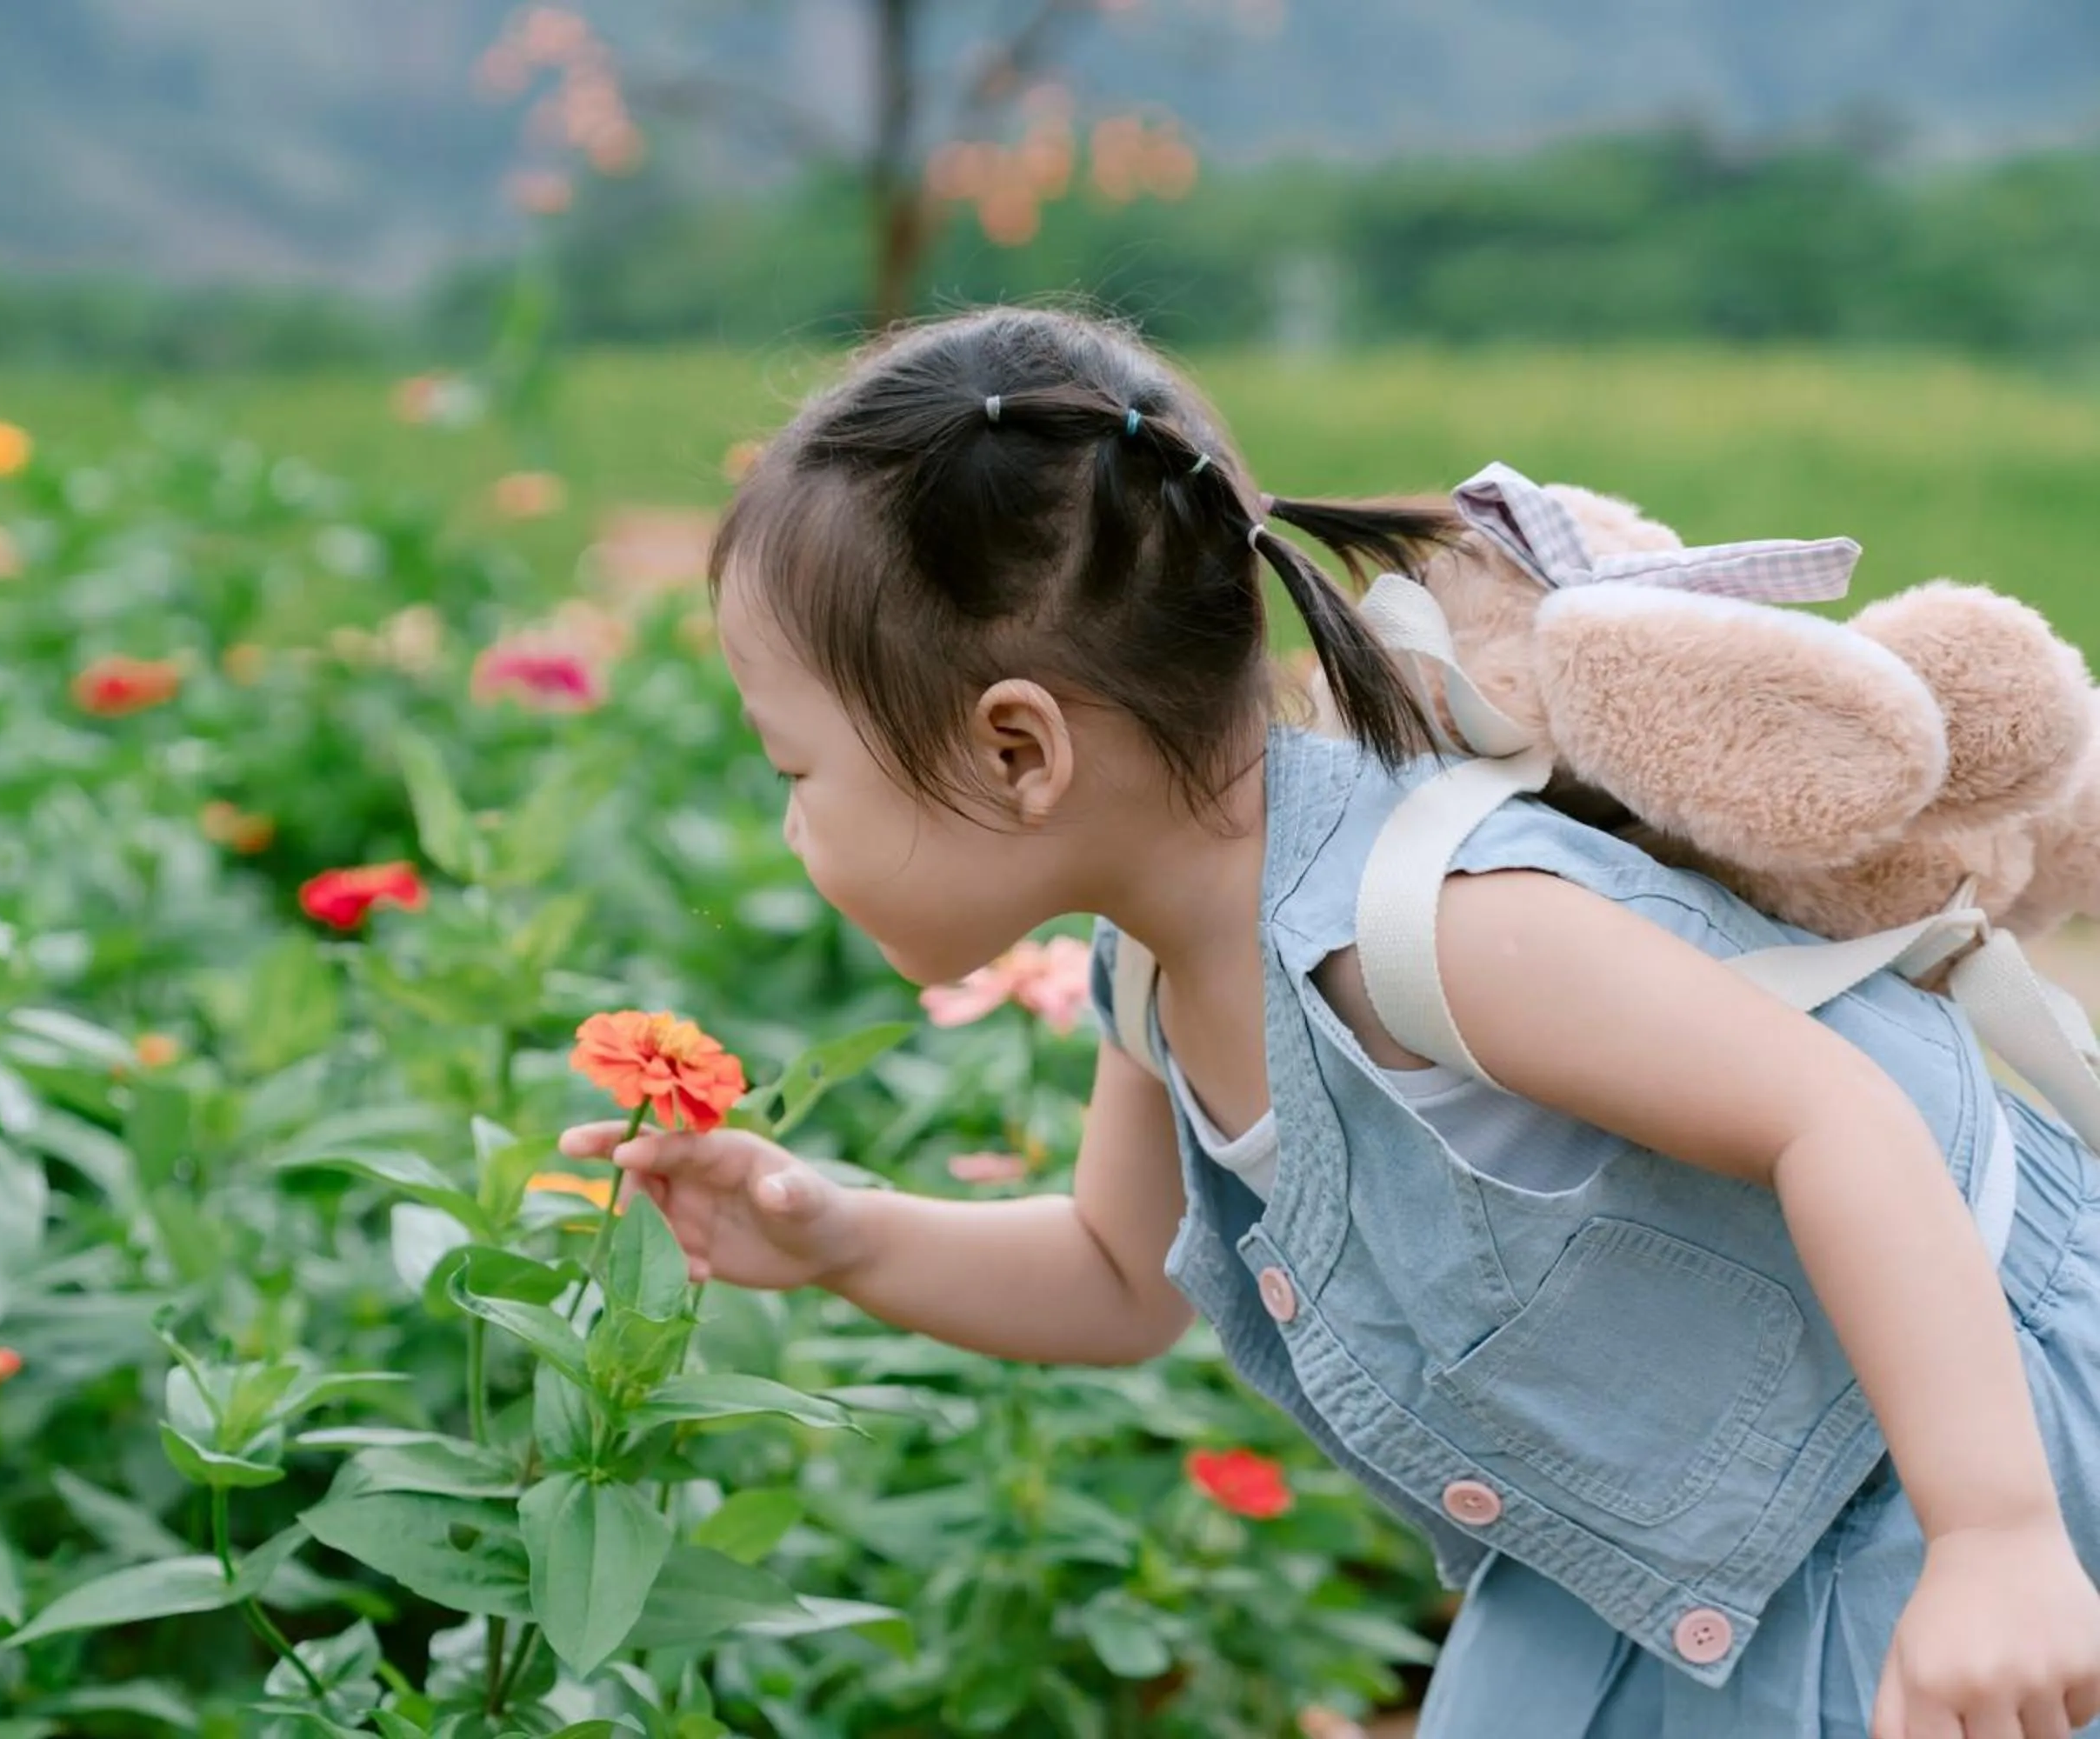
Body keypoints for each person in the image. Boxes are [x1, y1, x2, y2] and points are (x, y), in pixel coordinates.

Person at [558, 307, 2100, 1739]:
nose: (790, 827)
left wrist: (1997, 1537)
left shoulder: (1430, 929)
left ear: (1017, 750)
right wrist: (841, 1236)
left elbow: (1838, 1116)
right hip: (1673, 1508)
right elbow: (1113, 1278)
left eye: (794, 772)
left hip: (1931, 1434)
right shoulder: (1155, 968)